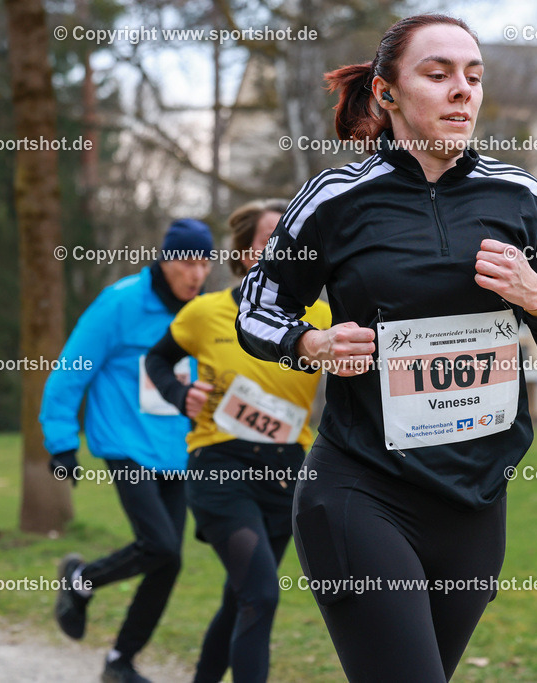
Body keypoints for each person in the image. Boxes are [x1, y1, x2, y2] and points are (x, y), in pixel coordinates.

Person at [235, 14, 537, 683]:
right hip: (361, 488)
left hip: (475, 502)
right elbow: (256, 309)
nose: (462, 89)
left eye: (474, 76)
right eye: (438, 74)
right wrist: (311, 341)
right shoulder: (335, 199)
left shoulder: (520, 198)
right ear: (387, 93)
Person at [145, 200, 330, 683]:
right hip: (221, 469)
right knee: (260, 595)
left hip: (286, 473)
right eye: (270, 241)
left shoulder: (323, 318)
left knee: (242, 598)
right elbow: (156, 360)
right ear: (244, 253)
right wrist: (180, 394)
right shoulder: (206, 313)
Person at [40, 218, 213, 683]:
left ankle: (120, 660)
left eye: (204, 263)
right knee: (159, 545)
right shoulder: (120, 303)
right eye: (187, 262)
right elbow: (70, 370)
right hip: (125, 443)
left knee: (168, 561)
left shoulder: (201, 313)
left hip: (177, 451)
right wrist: (61, 443)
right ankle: (81, 581)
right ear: (165, 259)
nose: (196, 274)